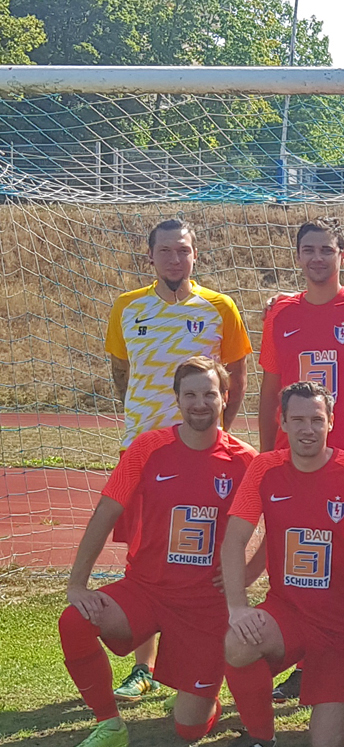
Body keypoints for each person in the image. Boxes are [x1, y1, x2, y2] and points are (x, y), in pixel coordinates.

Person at [58, 357, 259, 747]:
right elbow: (107, 511)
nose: (199, 403)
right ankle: (109, 724)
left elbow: (282, 521)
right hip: (145, 590)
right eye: (190, 395)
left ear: (225, 398)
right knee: (75, 620)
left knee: (189, 730)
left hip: (204, 605)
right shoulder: (147, 448)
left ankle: (204, 695)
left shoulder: (245, 460)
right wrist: (77, 583)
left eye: (209, 394)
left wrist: (250, 573)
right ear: (177, 399)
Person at [104, 219, 252, 700]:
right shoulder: (127, 307)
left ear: (195, 255)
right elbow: (121, 371)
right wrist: (144, 423)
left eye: (183, 250)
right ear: (150, 256)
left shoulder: (219, 307)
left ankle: (205, 653)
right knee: (142, 554)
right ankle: (142, 667)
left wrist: (219, 432)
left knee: (204, 550)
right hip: (143, 453)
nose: (174, 259)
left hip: (203, 454)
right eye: (165, 251)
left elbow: (236, 377)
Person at [217, 382, 344, 747]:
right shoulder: (265, 468)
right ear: (283, 422)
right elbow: (233, 540)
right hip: (288, 613)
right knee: (237, 642)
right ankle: (260, 736)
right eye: (298, 420)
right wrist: (238, 608)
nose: (308, 429)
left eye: (316, 420)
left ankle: (338, 690)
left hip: (342, 626)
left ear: (331, 422)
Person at [258, 218, 344, 466]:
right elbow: (270, 392)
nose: (317, 258)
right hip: (293, 451)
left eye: (326, 250)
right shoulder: (279, 313)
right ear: (298, 257)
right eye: (308, 250)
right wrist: (266, 456)